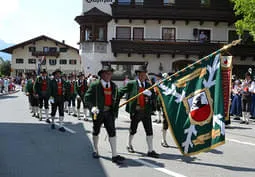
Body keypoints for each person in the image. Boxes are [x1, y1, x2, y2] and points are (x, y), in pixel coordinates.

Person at [84, 64, 125, 164]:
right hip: (98, 112)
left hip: (109, 112)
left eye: (110, 74)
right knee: (96, 130)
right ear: (102, 75)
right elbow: (87, 98)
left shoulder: (114, 86)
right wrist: (92, 107)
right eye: (107, 73)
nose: (109, 75)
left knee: (112, 132)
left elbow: (116, 97)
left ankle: (114, 155)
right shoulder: (95, 85)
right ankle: (95, 150)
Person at [118, 64, 159, 158]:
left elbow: (154, 97)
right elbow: (121, 91)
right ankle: (129, 144)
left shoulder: (148, 85)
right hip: (136, 111)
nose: (143, 76)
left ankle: (150, 150)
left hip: (146, 111)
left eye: (144, 74)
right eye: (141, 74)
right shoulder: (132, 83)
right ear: (138, 74)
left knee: (149, 131)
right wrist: (115, 99)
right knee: (133, 129)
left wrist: (150, 94)